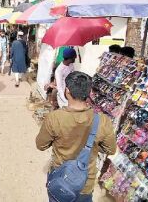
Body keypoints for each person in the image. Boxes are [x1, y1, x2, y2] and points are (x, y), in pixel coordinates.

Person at [36, 71, 116, 201]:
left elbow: (40, 145)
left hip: (60, 181)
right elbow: (111, 150)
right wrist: (93, 145)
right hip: (85, 184)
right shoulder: (102, 120)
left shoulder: (55, 118)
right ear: (89, 93)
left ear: (67, 91)